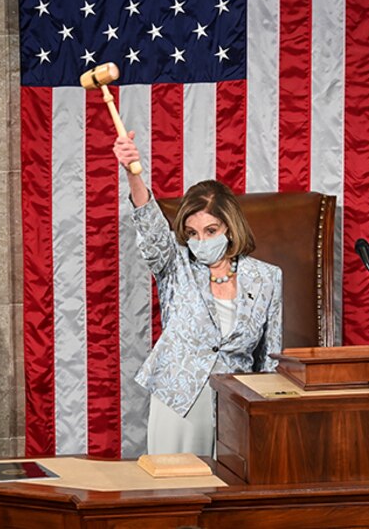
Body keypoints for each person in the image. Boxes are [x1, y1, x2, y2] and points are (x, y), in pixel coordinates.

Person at [115, 132, 282, 456]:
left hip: (237, 404)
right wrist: (133, 173)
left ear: (230, 229)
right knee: (176, 494)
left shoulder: (267, 278)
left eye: (210, 231)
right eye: (191, 233)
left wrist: (267, 414)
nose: (200, 241)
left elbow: (270, 357)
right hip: (178, 401)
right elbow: (151, 228)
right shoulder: (175, 265)